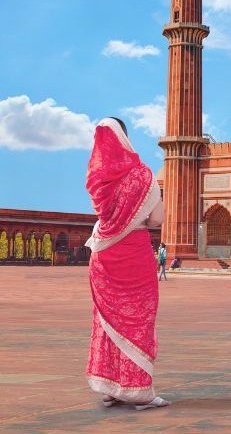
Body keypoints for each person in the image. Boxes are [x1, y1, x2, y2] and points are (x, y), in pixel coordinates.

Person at [84, 117, 170, 410]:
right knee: (137, 322)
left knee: (107, 323)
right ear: (125, 138)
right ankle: (139, 392)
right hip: (133, 254)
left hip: (104, 256)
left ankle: (109, 389)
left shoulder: (96, 179)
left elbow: (104, 215)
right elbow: (157, 219)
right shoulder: (142, 176)